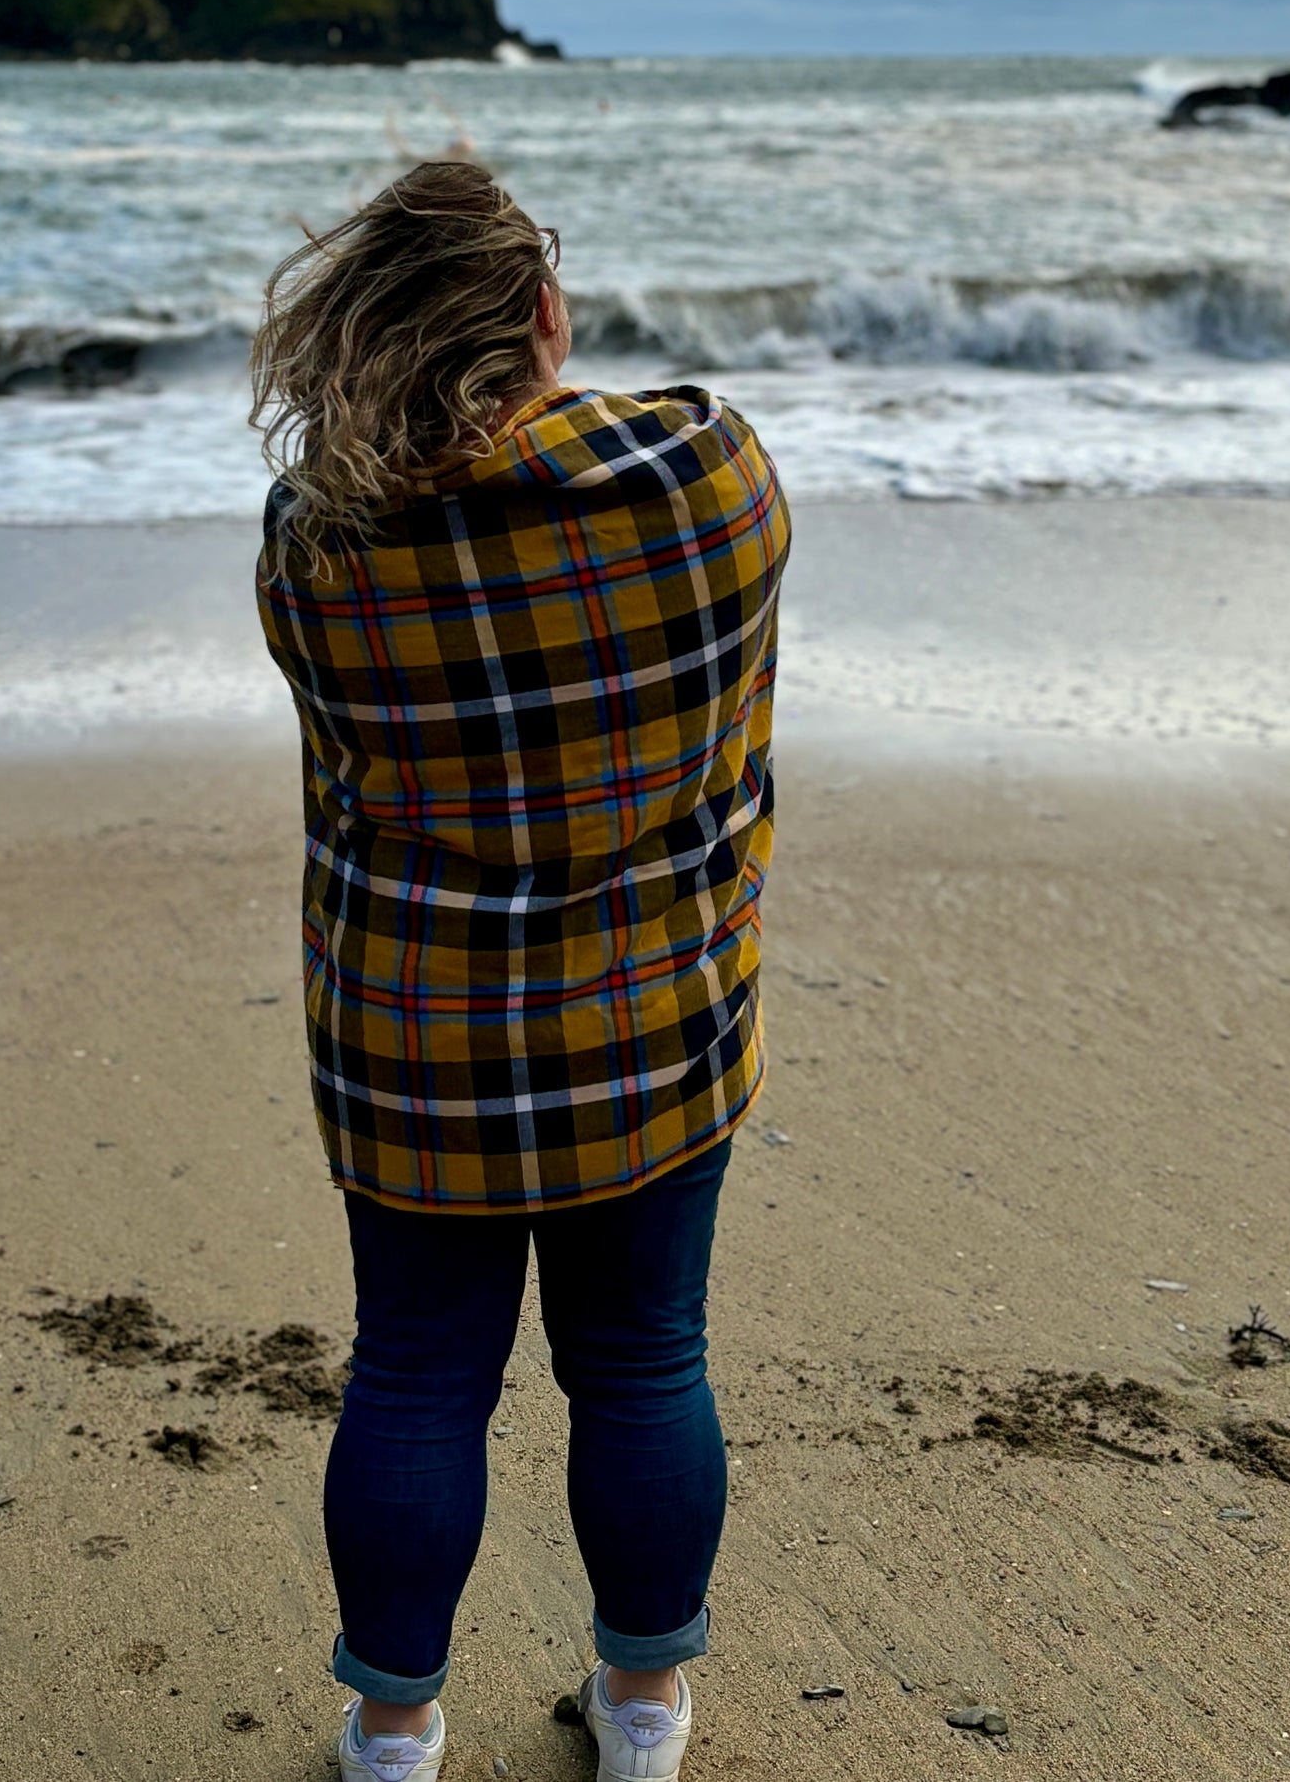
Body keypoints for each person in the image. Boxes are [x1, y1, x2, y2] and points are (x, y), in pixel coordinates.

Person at [250, 162, 790, 1782]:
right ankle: (639, 1713)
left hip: (412, 1023)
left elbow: (343, 769)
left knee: (416, 1370)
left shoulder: (317, 540)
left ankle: (396, 1729)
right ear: (543, 315)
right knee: (641, 1358)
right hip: (652, 1007)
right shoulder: (709, 473)